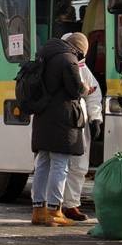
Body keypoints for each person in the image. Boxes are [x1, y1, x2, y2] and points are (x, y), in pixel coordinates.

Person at [31, 36, 91, 227]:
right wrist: (86, 89)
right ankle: (54, 211)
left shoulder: (45, 55)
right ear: (79, 49)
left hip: (42, 117)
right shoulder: (68, 59)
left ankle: (38, 209)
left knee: (42, 163)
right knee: (60, 164)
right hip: (62, 119)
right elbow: (74, 88)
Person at [61, 32, 103, 221]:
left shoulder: (82, 67)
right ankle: (50, 204)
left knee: (78, 165)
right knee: (56, 164)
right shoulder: (58, 63)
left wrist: (95, 118)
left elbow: (94, 94)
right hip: (60, 120)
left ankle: (71, 204)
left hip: (79, 121)